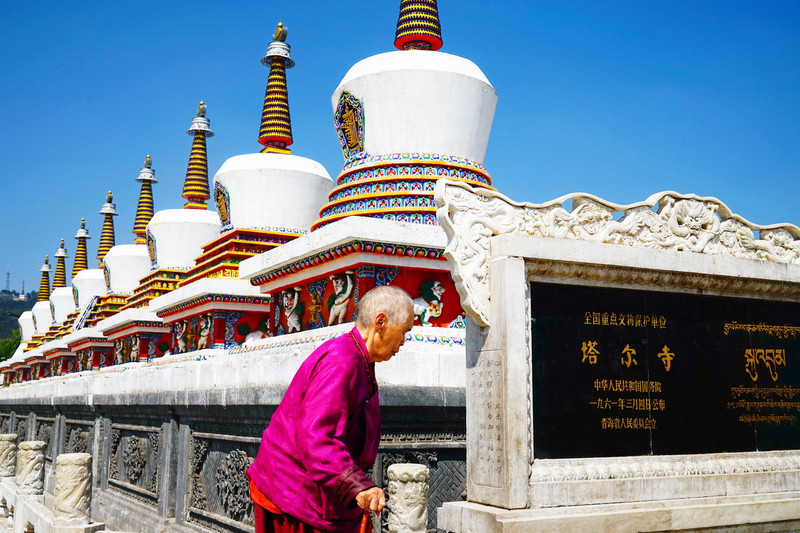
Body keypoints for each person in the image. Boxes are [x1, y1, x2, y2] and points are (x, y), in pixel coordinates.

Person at [247, 285, 415, 533]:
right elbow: (317, 437)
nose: (402, 342)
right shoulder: (342, 360)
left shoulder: (358, 358)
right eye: (403, 332)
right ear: (380, 321)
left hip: (315, 488)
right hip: (293, 489)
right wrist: (356, 485)